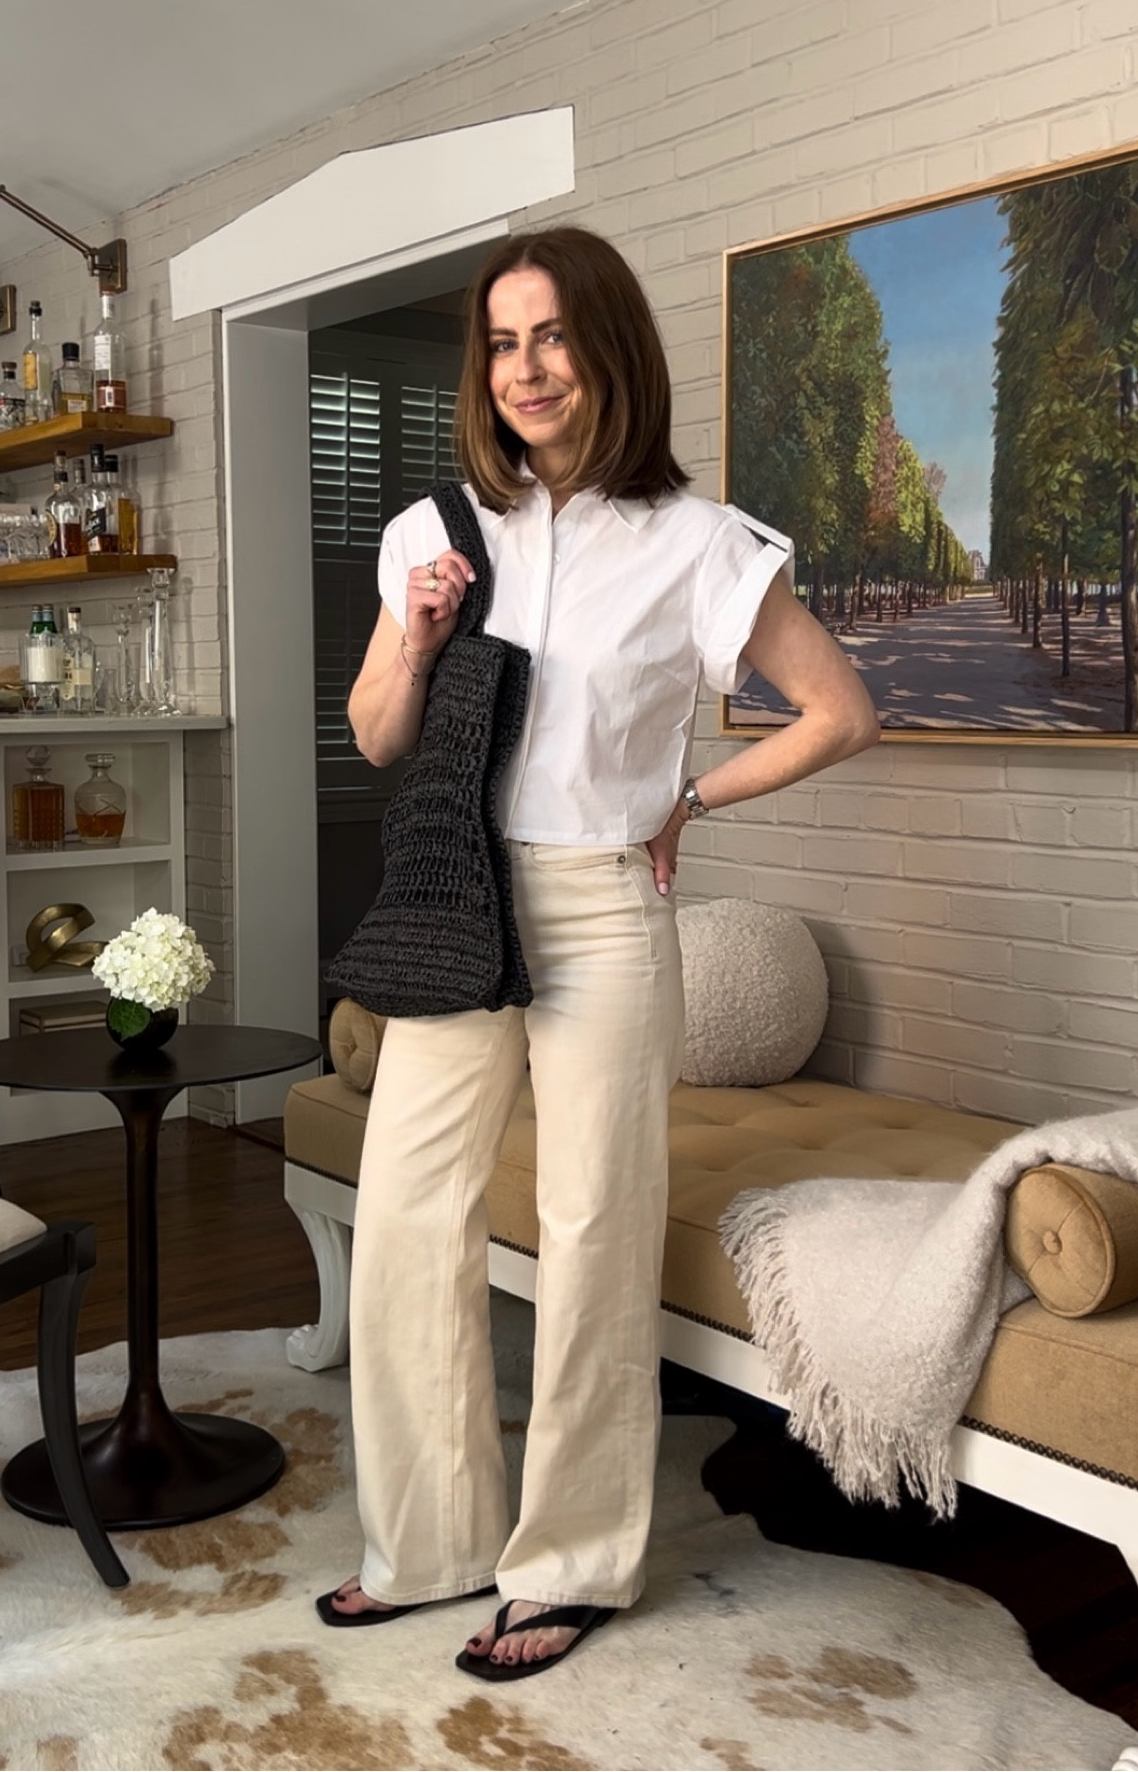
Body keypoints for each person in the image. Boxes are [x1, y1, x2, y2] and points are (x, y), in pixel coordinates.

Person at [321, 225, 880, 1681]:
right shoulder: (438, 527)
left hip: (603, 909)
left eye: (554, 335)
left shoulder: (701, 542)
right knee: (407, 1218)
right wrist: (417, 636)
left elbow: (840, 711)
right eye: (503, 343)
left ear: (610, 347)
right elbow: (376, 736)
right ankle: (428, 1542)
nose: (526, 369)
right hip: (459, 899)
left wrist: (693, 798)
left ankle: (569, 1565)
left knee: (590, 1229)